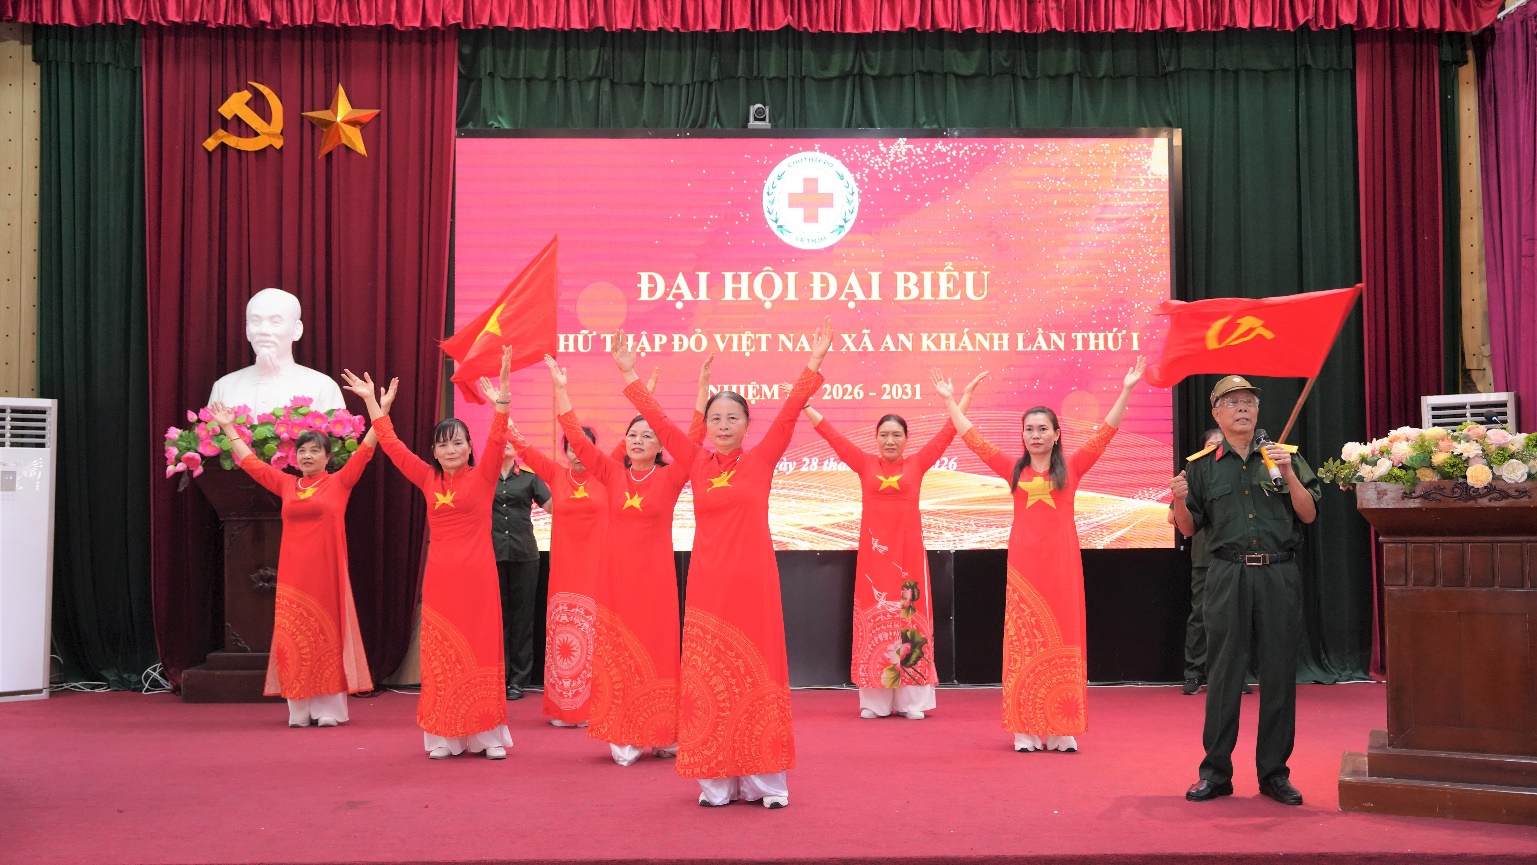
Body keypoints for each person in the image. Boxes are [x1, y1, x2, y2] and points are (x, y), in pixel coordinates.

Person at [615, 317, 834, 808]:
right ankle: (716, 780)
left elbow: (791, 412)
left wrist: (814, 363)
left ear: (747, 425)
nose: (724, 426)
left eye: (733, 418)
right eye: (716, 419)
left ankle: (763, 781)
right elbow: (665, 426)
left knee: (757, 673)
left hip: (754, 584)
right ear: (708, 426)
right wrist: (629, 375)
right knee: (710, 676)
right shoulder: (694, 461)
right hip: (709, 585)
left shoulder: (762, 458)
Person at [933, 358, 1144, 753]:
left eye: (1042, 429)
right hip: (1024, 571)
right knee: (1024, 643)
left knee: (1064, 640)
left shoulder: (1074, 468)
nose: (1035, 435)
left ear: (1057, 434)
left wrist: (1127, 389)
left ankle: (1063, 728)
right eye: (1029, 429)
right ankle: (1025, 729)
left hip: (1063, 568)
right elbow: (973, 439)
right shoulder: (1013, 470)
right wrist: (951, 401)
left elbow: (1106, 432)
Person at [541, 354, 711, 766]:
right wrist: (561, 389)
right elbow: (576, 439)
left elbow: (694, 433)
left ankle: (664, 731)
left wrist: (703, 389)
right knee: (620, 653)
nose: (637, 440)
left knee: (659, 651)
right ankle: (626, 732)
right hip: (617, 582)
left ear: (660, 446)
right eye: (633, 434)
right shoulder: (612, 473)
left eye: (647, 435)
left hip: (655, 581)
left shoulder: (671, 478)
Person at [347, 351, 516, 760]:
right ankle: (444, 736)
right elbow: (391, 445)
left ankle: (486, 737)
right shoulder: (426, 477)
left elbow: (498, 437)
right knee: (442, 655)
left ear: (468, 446)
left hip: (478, 579)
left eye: (458, 442)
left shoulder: (485, 474)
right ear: (435, 452)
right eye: (443, 444)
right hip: (441, 579)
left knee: (479, 651)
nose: (451, 449)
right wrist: (374, 404)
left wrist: (504, 396)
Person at [802, 372, 986, 721]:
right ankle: (875, 702)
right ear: (876, 439)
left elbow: (948, 433)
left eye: (896, 435)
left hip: (909, 558)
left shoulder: (917, 463)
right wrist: (806, 404)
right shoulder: (864, 463)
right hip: (874, 560)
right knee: (876, 621)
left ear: (905, 439)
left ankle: (910, 702)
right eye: (884, 435)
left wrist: (961, 398)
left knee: (908, 622)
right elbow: (832, 436)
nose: (890, 440)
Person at [1172, 375, 1319, 806]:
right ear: (1216, 412)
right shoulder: (1200, 466)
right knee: (1222, 675)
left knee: (1278, 676)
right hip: (1226, 575)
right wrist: (1179, 499)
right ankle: (1216, 772)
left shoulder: (1285, 456)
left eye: (1249, 402)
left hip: (1278, 573)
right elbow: (1187, 527)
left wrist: (1289, 475)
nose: (1242, 408)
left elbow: (1308, 515)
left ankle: (1274, 774)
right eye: (1231, 402)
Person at [209, 384, 388, 728]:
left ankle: (329, 711)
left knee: (325, 638)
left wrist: (372, 404)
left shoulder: (339, 482)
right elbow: (249, 463)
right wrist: (229, 427)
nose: (307, 456)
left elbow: (368, 447)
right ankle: (299, 710)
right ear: (295, 457)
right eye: (302, 451)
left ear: (327, 457)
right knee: (295, 640)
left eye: (315, 451)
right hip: (293, 577)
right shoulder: (287, 485)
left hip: (327, 575)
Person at [508, 399, 611, 729]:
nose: (578, 455)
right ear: (565, 451)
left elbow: (632, 442)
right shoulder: (555, 473)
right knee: (566, 636)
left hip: (597, 569)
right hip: (565, 570)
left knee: (596, 636)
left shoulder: (607, 474)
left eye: (585, 448)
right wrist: (503, 402)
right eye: (572, 449)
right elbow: (522, 445)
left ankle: (593, 704)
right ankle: (566, 706)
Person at [208, 288, 346, 413]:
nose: (263, 331)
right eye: (255, 321)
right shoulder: (224, 387)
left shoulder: (323, 387)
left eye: (275, 322)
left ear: (297, 330)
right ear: (247, 331)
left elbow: (338, 439)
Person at [494, 438, 551, 701]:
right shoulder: (483, 476)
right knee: (497, 619)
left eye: (510, 441)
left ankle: (518, 680)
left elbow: (555, 507)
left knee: (522, 619)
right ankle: (498, 676)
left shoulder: (529, 477)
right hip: (491, 554)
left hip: (525, 555)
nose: (505, 444)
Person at [1173, 428, 1223, 696]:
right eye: (1210, 444)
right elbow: (1173, 519)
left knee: (1232, 619)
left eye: (1220, 444)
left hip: (1236, 557)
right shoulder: (1193, 474)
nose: (1215, 448)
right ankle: (1194, 674)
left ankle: (1231, 676)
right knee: (1200, 618)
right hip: (1205, 557)